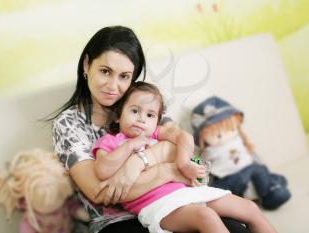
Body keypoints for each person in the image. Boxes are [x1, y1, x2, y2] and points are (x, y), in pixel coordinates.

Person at [52, 25, 250, 233]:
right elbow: (100, 193)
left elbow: (191, 158)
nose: (113, 86)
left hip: (174, 199)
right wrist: (168, 170)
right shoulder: (69, 124)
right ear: (86, 64)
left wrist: (137, 164)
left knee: (237, 229)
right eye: (105, 71)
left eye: (124, 76)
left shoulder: (143, 106)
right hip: (118, 222)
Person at [91, 81, 277, 233]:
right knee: (206, 217)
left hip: (186, 192)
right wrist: (130, 145)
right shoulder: (112, 141)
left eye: (150, 115)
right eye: (134, 111)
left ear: (156, 120)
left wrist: (185, 163)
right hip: (156, 205)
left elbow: (183, 137)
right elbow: (102, 169)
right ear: (118, 116)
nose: (141, 119)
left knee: (250, 208)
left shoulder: (156, 134)